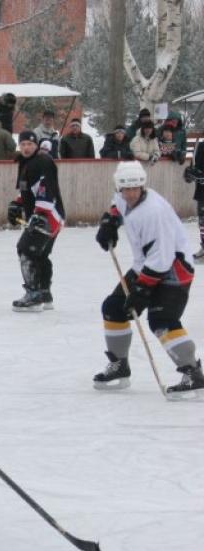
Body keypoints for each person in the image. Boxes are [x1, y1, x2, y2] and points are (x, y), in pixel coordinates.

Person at [93, 161, 203, 396]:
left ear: (143, 186)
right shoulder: (123, 197)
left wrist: (141, 292)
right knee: (113, 308)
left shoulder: (154, 212)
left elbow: (162, 259)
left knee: (162, 320)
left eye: (135, 188)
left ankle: (193, 373)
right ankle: (120, 365)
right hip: (145, 265)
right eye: (126, 189)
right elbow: (116, 205)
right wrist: (110, 222)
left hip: (173, 269)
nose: (130, 193)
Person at [7, 130, 66, 312]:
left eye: (30, 145)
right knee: (40, 254)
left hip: (49, 216)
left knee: (26, 249)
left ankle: (33, 294)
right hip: (46, 215)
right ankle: (44, 293)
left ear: (37, 145)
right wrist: (17, 203)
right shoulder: (25, 163)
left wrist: (40, 214)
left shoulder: (43, 161)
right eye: (23, 144)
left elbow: (45, 188)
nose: (26, 148)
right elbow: (26, 189)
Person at [185, 138, 204, 262]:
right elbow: (196, 167)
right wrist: (191, 173)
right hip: (202, 191)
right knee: (202, 221)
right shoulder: (201, 146)